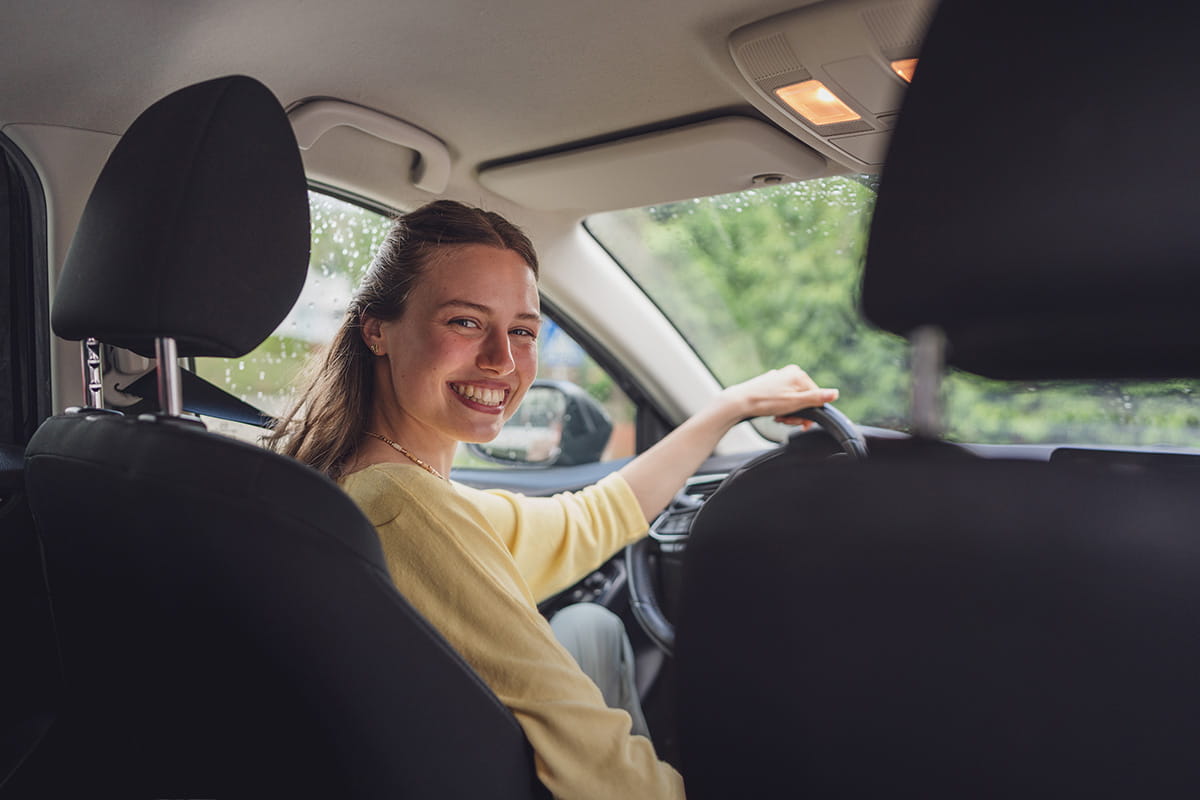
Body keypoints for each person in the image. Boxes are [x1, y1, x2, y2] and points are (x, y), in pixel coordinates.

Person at [269, 200, 837, 799]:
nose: (502, 360)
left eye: (522, 330)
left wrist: (730, 408)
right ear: (377, 328)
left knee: (588, 624)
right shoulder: (402, 506)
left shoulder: (365, 480)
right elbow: (591, 755)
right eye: (465, 322)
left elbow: (590, 519)